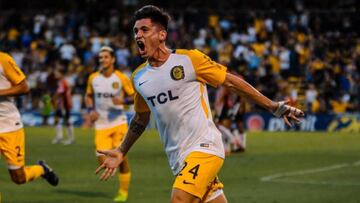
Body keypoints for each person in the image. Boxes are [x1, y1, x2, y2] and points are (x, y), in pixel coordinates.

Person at [95, 5, 303, 203]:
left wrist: (273, 106)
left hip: (205, 147)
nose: (138, 35)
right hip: (178, 159)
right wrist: (122, 150)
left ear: (162, 35)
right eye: (135, 31)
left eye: (144, 29)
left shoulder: (189, 60)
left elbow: (231, 81)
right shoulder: (139, 77)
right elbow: (141, 119)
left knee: (179, 199)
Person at [0, 52, 59, 186]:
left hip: (8, 125)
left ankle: (42, 169)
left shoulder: (3, 60)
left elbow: (24, 87)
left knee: (18, 178)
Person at [86, 46, 135, 202]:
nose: (103, 60)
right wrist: (90, 110)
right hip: (101, 125)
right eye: (100, 57)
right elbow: (88, 96)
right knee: (103, 160)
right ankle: (119, 182)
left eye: (106, 57)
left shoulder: (121, 78)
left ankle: (123, 192)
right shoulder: (93, 78)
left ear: (113, 59)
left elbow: (134, 97)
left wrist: (124, 101)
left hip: (118, 122)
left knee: (121, 158)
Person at [215, 85, 246, 155]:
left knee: (220, 126)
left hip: (226, 110)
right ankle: (227, 148)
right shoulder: (236, 91)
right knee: (224, 128)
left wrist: (217, 111)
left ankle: (233, 141)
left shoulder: (225, 88)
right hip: (232, 109)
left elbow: (219, 100)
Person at [51, 67, 75, 145]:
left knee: (67, 120)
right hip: (61, 104)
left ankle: (71, 139)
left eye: (57, 73)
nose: (55, 74)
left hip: (65, 105)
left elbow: (59, 93)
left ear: (61, 74)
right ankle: (59, 137)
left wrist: (53, 99)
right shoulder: (63, 81)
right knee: (57, 119)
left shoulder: (63, 82)